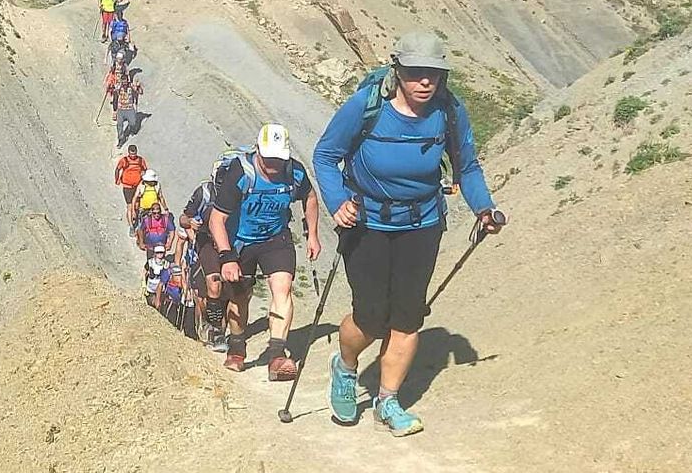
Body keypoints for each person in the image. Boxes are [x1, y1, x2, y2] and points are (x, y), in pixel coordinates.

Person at [311, 30, 502, 437]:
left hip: (423, 224)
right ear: (398, 70)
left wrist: (484, 207)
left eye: (433, 73)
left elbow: (466, 167)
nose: (425, 81)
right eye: (415, 72)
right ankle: (345, 367)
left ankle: (388, 401)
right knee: (371, 315)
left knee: (408, 316)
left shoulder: (449, 111)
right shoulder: (367, 105)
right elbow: (326, 156)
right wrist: (336, 201)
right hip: (367, 223)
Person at [208, 124, 320, 381]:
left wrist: (312, 234)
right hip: (240, 242)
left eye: (278, 159)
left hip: (276, 239)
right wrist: (226, 257)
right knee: (239, 296)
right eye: (268, 158)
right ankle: (237, 348)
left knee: (283, 288)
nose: (273, 165)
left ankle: (277, 355)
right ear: (257, 150)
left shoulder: (295, 173)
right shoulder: (241, 172)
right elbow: (217, 219)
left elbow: (310, 198)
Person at [180, 179, 229, 352]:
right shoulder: (205, 192)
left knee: (233, 291)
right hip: (206, 241)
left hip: (232, 241)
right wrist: (191, 224)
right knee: (212, 285)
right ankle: (213, 330)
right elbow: (184, 217)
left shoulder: (244, 189)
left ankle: (221, 329)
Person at [113, 70, 144, 148]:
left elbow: (140, 92)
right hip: (121, 109)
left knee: (133, 123)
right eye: (123, 82)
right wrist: (115, 110)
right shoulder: (119, 87)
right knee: (119, 124)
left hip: (129, 108)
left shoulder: (131, 86)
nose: (124, 84)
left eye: (125, 82)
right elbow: (115, 94)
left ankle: (131, 128)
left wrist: (139, 86)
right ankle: (121, 139)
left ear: (127, 81)